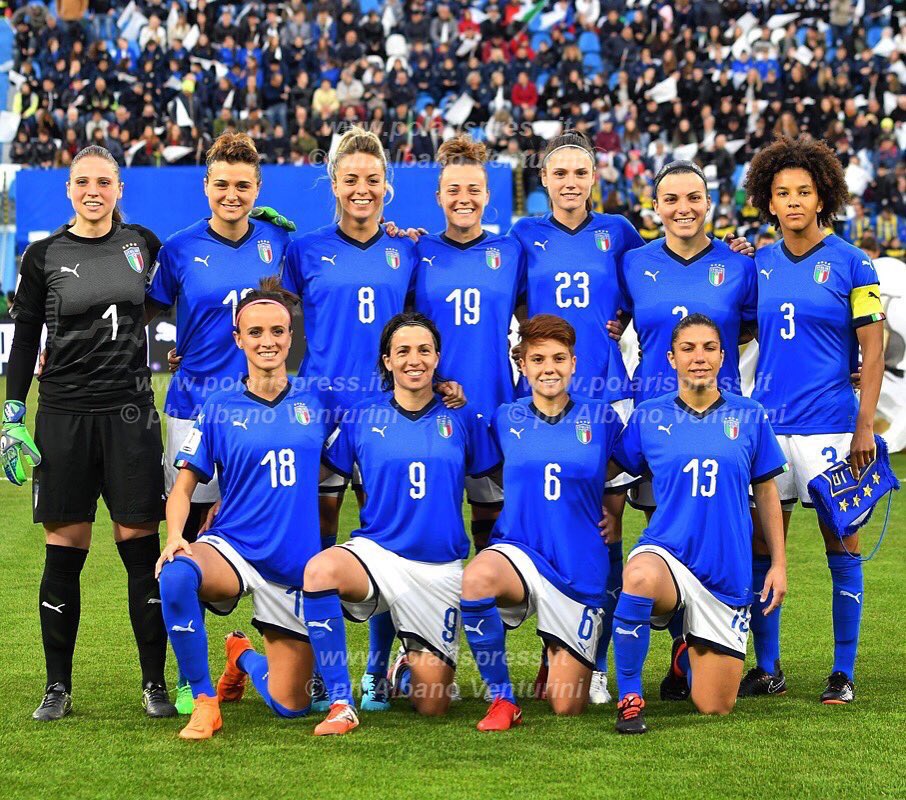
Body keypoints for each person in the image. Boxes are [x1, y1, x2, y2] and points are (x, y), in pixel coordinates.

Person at [282, 127, 464, 713]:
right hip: (322, 414)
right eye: (349, 178)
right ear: (332, 182)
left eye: (371, 179)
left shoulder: (404, 249)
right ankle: (316, 666)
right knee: (321, 538)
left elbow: (421, 325)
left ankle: (378, 667)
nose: (361, 189)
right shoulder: (303, 249)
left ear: (387, 185)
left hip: (391, 413)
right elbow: (273, 320)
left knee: (389, 532)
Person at [1, 145, 175, 721]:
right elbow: (25, 338)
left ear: (119, 190)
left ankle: (153, 683)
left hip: (130, 417)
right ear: (69, 190)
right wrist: (11, 414)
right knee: (64, 549)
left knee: (138, 547)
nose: (93, 190)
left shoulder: (143, 245)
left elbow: (191, 282)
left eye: (104, 181)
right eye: (83, 182)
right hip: (63, 418)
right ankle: (57, 687)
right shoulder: (44, 255)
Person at [145, 132, 295, 714]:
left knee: (253, 535)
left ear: (258, 189)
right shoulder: (179, 249)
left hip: (263, 418)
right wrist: (176, 354)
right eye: (221, 185)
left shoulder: (279, 241)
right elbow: (151, 309)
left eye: (243, 186)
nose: (231, 195)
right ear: (205, 187)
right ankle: (193, 674)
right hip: (193, 414)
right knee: (190, 542)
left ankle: (257, 649)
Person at [303, 312, 501, 736]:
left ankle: (404, 670)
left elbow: (502, 478)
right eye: (403, 351)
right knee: (320, 571)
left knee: (433, 707)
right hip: (379, 553)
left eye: (424, 350)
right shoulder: (360, 416)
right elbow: (315, 474)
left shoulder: (463, 417)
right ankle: (341, 701)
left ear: (438, 357)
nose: (415, 359)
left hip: (439, 569)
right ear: (387, 361)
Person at [155, 279, 332, 739]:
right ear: (238, 339)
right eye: (255, 332)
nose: (267, 341)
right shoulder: (217, 406)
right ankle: (203, 700)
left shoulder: (318, 401)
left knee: (291, 707)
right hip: (234, 547)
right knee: (176, 572)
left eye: (277, 331)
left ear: (291, 336)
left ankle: (242, 657)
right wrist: (176, 537)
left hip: (296, 564)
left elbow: (350, 466)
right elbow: (183, 485)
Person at [743, 135, 885, 704]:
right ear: (768, 201)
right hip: (770, 427)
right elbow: (739, 328)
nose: (794, 201)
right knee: (760, 547)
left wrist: (865, 424)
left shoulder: (854, 263)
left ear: (823, 196)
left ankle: (842, 672)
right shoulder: (759, 263)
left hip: (831, 425)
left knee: (841, 544)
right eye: (783, 193)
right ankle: (769, 667)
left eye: (804, 190)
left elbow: (872, 350)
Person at [508, 130, 643, 705]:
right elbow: (505, 298)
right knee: (546, 529)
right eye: (559, 174)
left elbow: (651, 288)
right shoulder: (522, 235)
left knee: (602, 533)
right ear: (544, 180)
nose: (570, 183)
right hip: (540, 402)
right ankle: (553, 652)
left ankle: (599, 661)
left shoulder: (619, 233)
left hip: (606, 398)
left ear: (595, 179)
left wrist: (617, 321)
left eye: (580, 174)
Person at [618, 160, 758, 698]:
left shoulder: (738, 264)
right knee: (666, 532)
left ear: (709, 202)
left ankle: (755, 660)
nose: (683, 208)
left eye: (694, 198)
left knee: (730, 534)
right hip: (654, 420)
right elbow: (615, 319)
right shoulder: (633, 263)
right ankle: (681, 650)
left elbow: (750, 327)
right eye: (671, 199)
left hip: (720, 420)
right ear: (656, 208)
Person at [610, 313, 787, 733]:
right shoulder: (649, 416)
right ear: (671, 358)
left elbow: (766, 493)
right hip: (667, 555)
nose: (699, 357)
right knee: (637, 576)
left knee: (714, 706)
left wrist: (778, 564)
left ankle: (683, 657)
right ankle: (630, 695)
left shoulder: (750, 414)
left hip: (725, 573)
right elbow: (611, 469)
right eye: (688, 349)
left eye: (709, 348)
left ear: (724, 356)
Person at [461, 314, 624, 731]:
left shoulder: (603, 418)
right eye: (537, 359)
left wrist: (615, 516)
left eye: (557, 358)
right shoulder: (505, 417)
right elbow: (496, 471)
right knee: (476, 579)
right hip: (520, 551)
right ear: (523, 365)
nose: (548, 368)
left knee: (566, 706)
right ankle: (501, 699)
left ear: (573, 363)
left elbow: (620, 471)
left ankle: (553, 650)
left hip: (577, 565)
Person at [412, 134, 524, 553]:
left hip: (494, 402)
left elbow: (533, 314)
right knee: (429, 525)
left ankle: (484, 614)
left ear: (487, 195)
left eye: (473, 190)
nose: (464, 198)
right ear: (439, 195)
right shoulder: (415, 250)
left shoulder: (511, 252)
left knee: (491, 525)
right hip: (428, 407)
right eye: (454, 190)